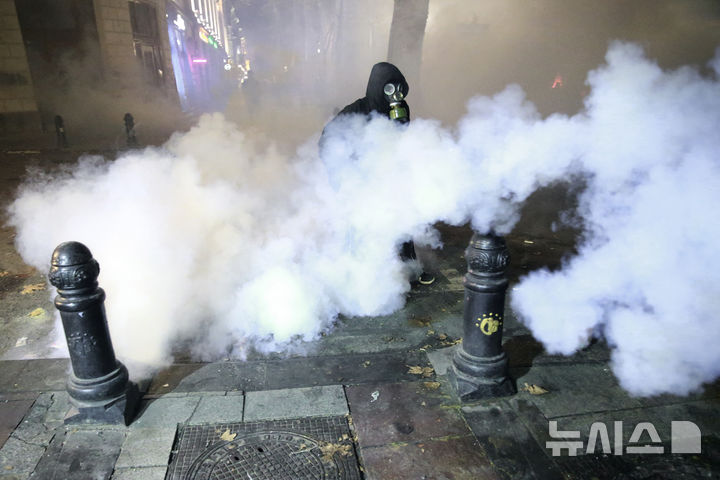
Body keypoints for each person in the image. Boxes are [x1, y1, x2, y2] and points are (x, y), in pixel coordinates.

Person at [321, 62, 435, 285]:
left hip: (389, 173)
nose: (395, 94)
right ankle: (350, 271)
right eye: (389, 88)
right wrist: (344, 170)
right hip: (361, 177)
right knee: (357, 224)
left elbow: (402, 140)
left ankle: (412, 268)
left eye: (399, 88)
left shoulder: (401, 108)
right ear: (377, 86)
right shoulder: (357, 109)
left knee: (402, 220)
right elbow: (328, 137)